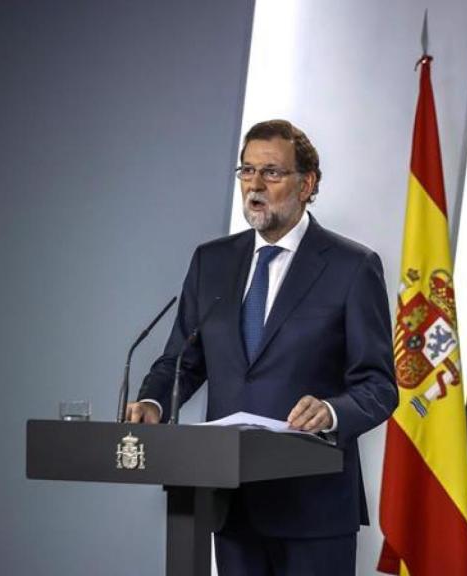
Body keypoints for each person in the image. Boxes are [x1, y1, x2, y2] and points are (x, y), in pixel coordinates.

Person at [126, 119, 398, 575]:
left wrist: (331, 412)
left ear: (307, 184)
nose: (254, 185)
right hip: (231, 503)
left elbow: (378, 385)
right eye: (246, 171)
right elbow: (182, 360)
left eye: (271, 173)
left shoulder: (353, 267)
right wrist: (153, 401)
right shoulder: (211, 262)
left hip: (313, 507)